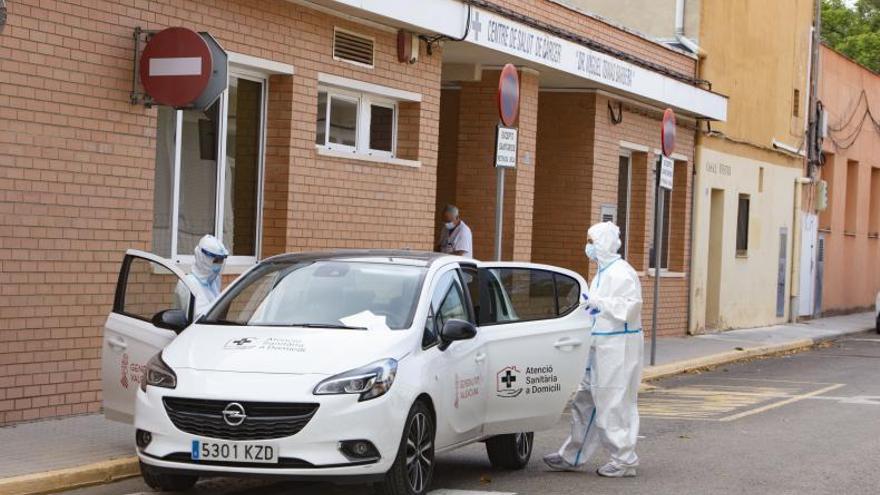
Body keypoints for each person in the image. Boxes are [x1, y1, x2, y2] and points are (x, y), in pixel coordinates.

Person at [543, 221, 644, 478]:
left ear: (604, 243)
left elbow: (631, 307)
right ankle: (573, 455)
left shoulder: (622, 272)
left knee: (613, 402)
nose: (588, 246)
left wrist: (600, 304)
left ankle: (624, 460)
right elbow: (597, 307)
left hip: (617, 346)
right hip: (599, 344)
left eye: (591, 241)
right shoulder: (602, 272)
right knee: (585, 400)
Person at [174, 234, 229, 317]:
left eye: (221, 260)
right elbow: (196, 317)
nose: (218, 264)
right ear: (201, 257)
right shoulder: (187, 283)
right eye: (215, 260)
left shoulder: (214, 281)